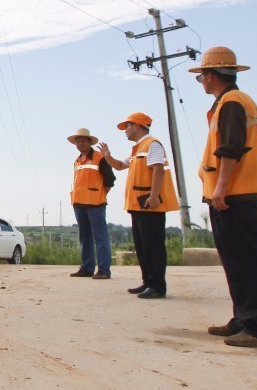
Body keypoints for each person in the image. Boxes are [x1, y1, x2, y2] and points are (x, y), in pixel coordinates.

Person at [190, 47, 257, 349]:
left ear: (211, 76)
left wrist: (221, 188)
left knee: (247, 263)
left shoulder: (232, 103)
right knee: (238, 263)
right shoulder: (237, 102)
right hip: (239, 194)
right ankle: (243, 319)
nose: (200, 81)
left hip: (234, 196)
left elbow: (230, 148)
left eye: (201, 76)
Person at [100, 113, 179, 300]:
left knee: (153, 246)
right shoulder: (137, 150)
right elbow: (119, 166)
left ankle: (158, 285)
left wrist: (153, 196)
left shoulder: (153, 145)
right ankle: (148, 281)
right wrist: (108, 157)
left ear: (137, 126)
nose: (125, 131)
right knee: (142, 246)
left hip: (150, 203)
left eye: (127, 127)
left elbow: (158, 170)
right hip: (138, 204)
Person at [66, 128, 116, 280]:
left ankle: (103, 270)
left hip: (95, 204)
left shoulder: (100, 157)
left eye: (82, 140)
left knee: (100, 237)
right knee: (85, 237)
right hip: (79, 203)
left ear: (89, 142)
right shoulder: (77, 160)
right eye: (77, 141)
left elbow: (110, 180)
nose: (79, 143)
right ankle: (87, 268)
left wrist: (99, 194)